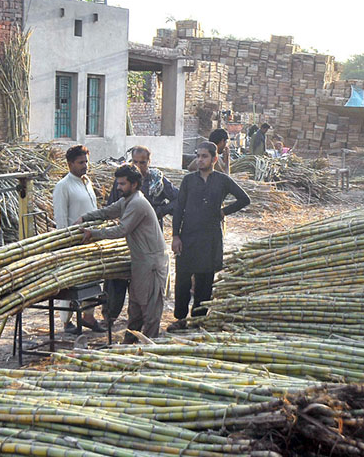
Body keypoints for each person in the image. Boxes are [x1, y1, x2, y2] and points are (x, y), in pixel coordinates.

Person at [79, 165, 169, 343]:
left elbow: (122, 229)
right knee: (135, 306)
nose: (118, 187)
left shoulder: (137, 203)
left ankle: (151, 348)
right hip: (140, 261)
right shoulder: (127, 200)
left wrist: (93, 234)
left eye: (122, 184)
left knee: (150, 309)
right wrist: (85, 218)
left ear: (134, 184)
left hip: (151, 262)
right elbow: (108, 211)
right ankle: (129, 343)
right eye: (117, 183)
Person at [169, 142, 250, 330]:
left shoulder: (222, 180)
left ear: (214, 159)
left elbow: (244, 199)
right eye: (198, 156)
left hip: (211, 237)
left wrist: (224, 211)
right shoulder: (189, 180)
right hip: (188, 236)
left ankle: (197, 320)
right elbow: (179, 208)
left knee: (205, 281)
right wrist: (175, 236)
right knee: (182, 280)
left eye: (204, 156)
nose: (199, 160)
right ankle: (180, 319)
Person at [102, 145, 178, 325]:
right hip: (124, 236)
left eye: (142, 162)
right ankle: (110, 315)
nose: (138, 165)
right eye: (135, 161)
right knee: (118, 278)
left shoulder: (157, 180)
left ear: (148, 162)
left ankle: (143, 321)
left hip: (148, 241)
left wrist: (159, 210)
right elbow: (113, 205)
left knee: (145, 285)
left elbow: (178, 198)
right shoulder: (124, 180)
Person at [52, 145, 104, 333]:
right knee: (70, 281)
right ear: (70, 164)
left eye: (86, 162)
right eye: (80, 162)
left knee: (91, 279)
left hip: (91, 240)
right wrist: (66, 243)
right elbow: (61, 218)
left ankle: (88, 316)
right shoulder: (63, 186)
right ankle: (66, 322)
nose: (84, 166)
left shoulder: (87, 182)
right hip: (73, 242)